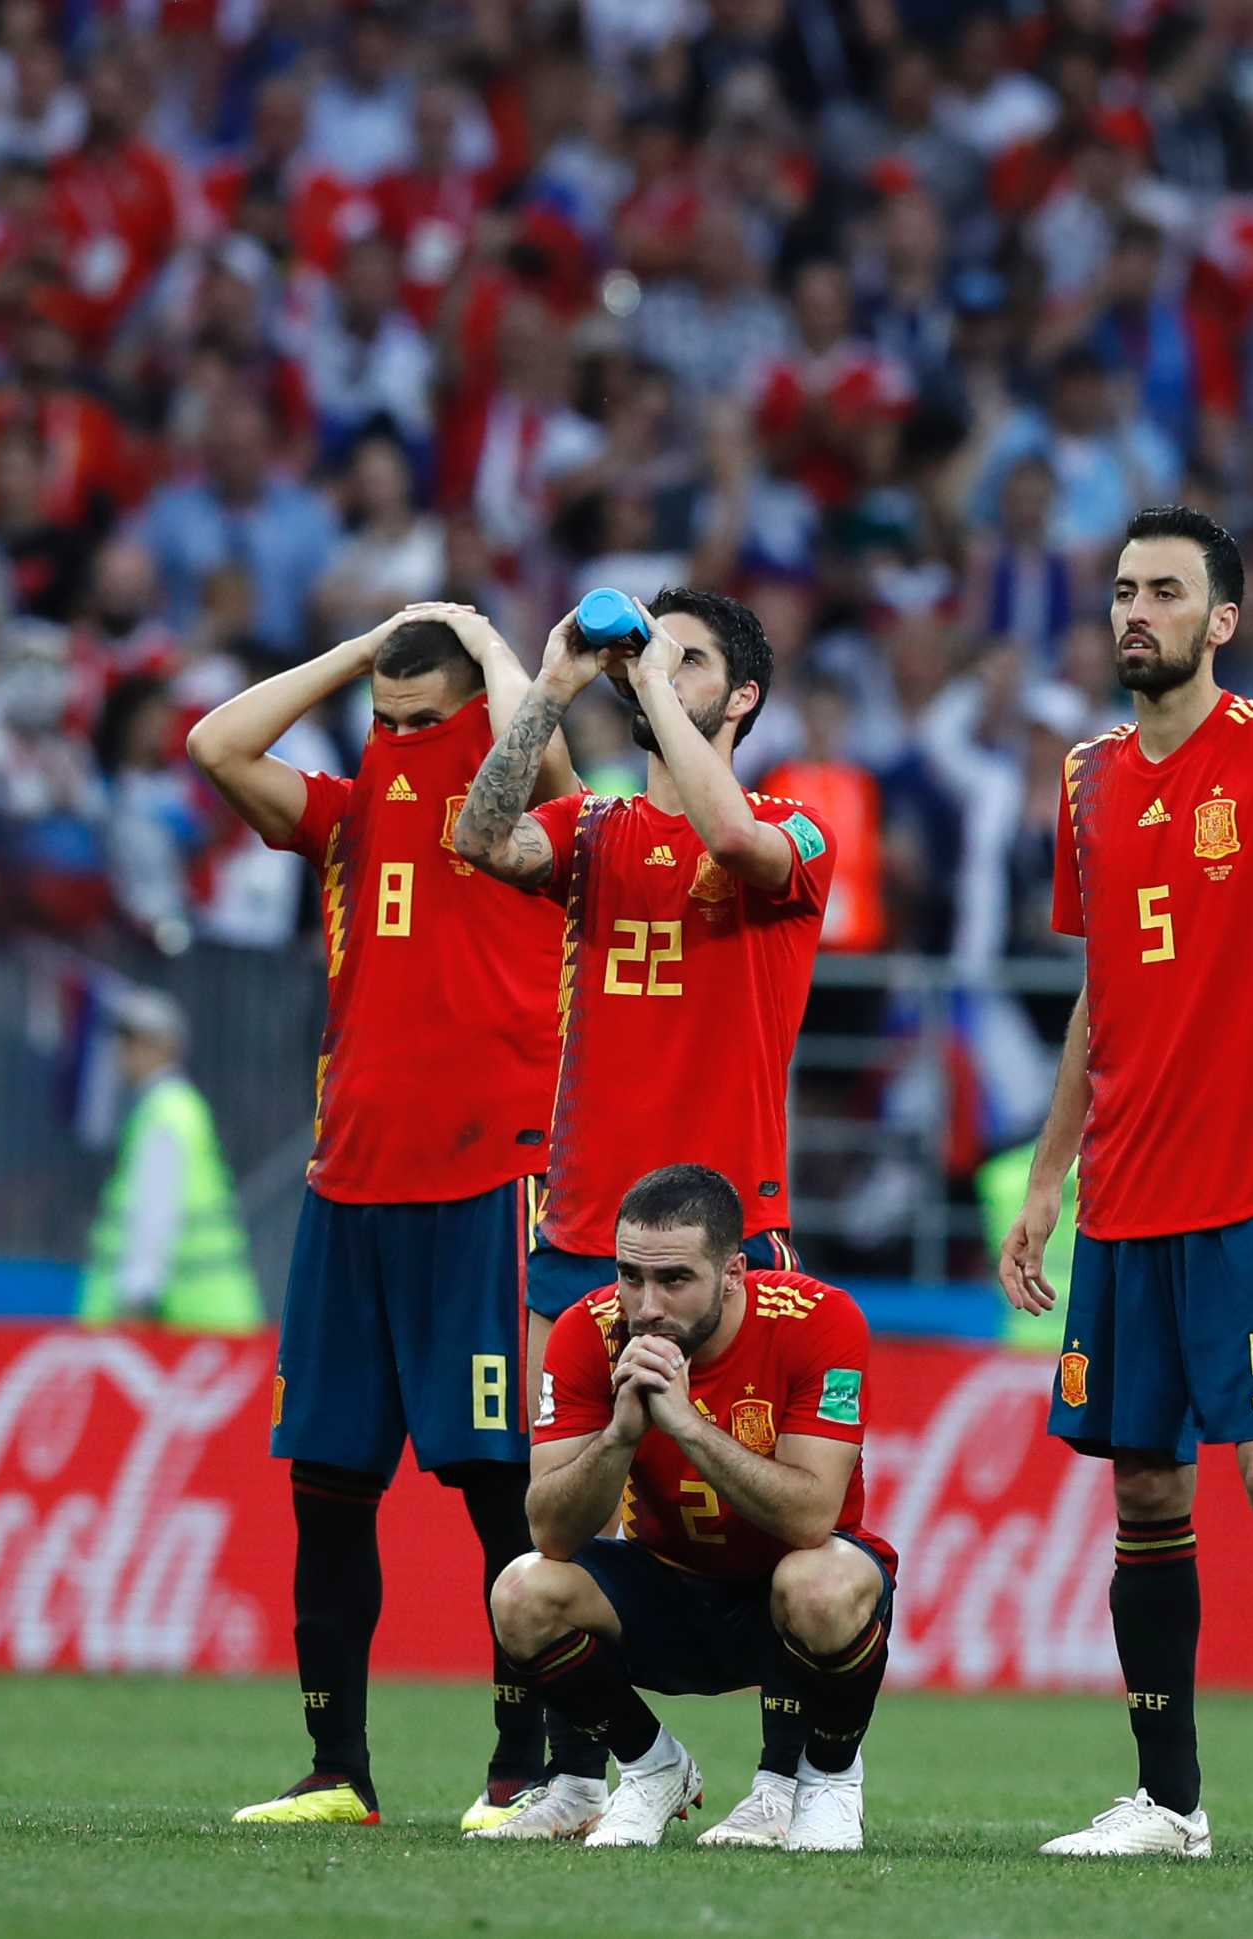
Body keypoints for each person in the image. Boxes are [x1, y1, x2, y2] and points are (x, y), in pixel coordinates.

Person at [996, 505, 1253, 1865]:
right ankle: (1167, 1798)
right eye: (1121, 589)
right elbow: (1097, 996)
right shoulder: (1085, 776)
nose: (1136, 611)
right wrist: (1047, 1180)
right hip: (1124, 1195)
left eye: (1165, 591)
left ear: (1222, 619)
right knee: (1147, 1493)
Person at [453, 587, 837, 1844]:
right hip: (582, 1234)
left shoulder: (791, 830)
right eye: (651, 650)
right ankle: (596, 1769)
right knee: (558, 1502)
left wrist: (653, 696)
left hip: (735, 1239)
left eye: (691, 660)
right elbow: (476, 835)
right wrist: (558, 681)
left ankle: (786, 1777)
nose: (656, 670)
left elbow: (727, 836)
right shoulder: (599, 826)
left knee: (754, 1499)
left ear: (743, 701)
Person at [188, 602, 568, 1831]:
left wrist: (491, 643)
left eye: (425, 716)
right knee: (329, 1486)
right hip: (347, 1187)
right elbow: (215, 745)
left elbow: (546, 744)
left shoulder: (528, 822)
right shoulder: (351, 814)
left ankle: (528, 1766)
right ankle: (334, 1770)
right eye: (383, 720)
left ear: (474, 709)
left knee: (496, 1485)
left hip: (484, 1187)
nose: (400, 736)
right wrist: (361, 652)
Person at [491, 1165, 894, 1853]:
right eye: (630, 1276)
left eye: (675, 1279)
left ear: (734, 1272)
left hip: (786, 1601)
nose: (647, 1305)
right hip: (668, 1585)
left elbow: (811, 1517)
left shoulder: (820, 1319)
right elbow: (551, 1532)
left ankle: (827, 1778)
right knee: (522, 1591)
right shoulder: (589, 1331)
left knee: (820, 1579)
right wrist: (620, 1434)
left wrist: (685, 1424)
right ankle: (651, 1767)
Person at [77, 986, 261, 1337]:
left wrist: (135, 1299)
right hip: (198, 1321)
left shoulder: (166, 1114)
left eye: (134, 1041)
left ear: (166, 1047)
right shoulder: (170, 1108)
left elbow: (155, 1214)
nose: (123, 1052)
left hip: (184, 1324)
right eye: (123, 1041)